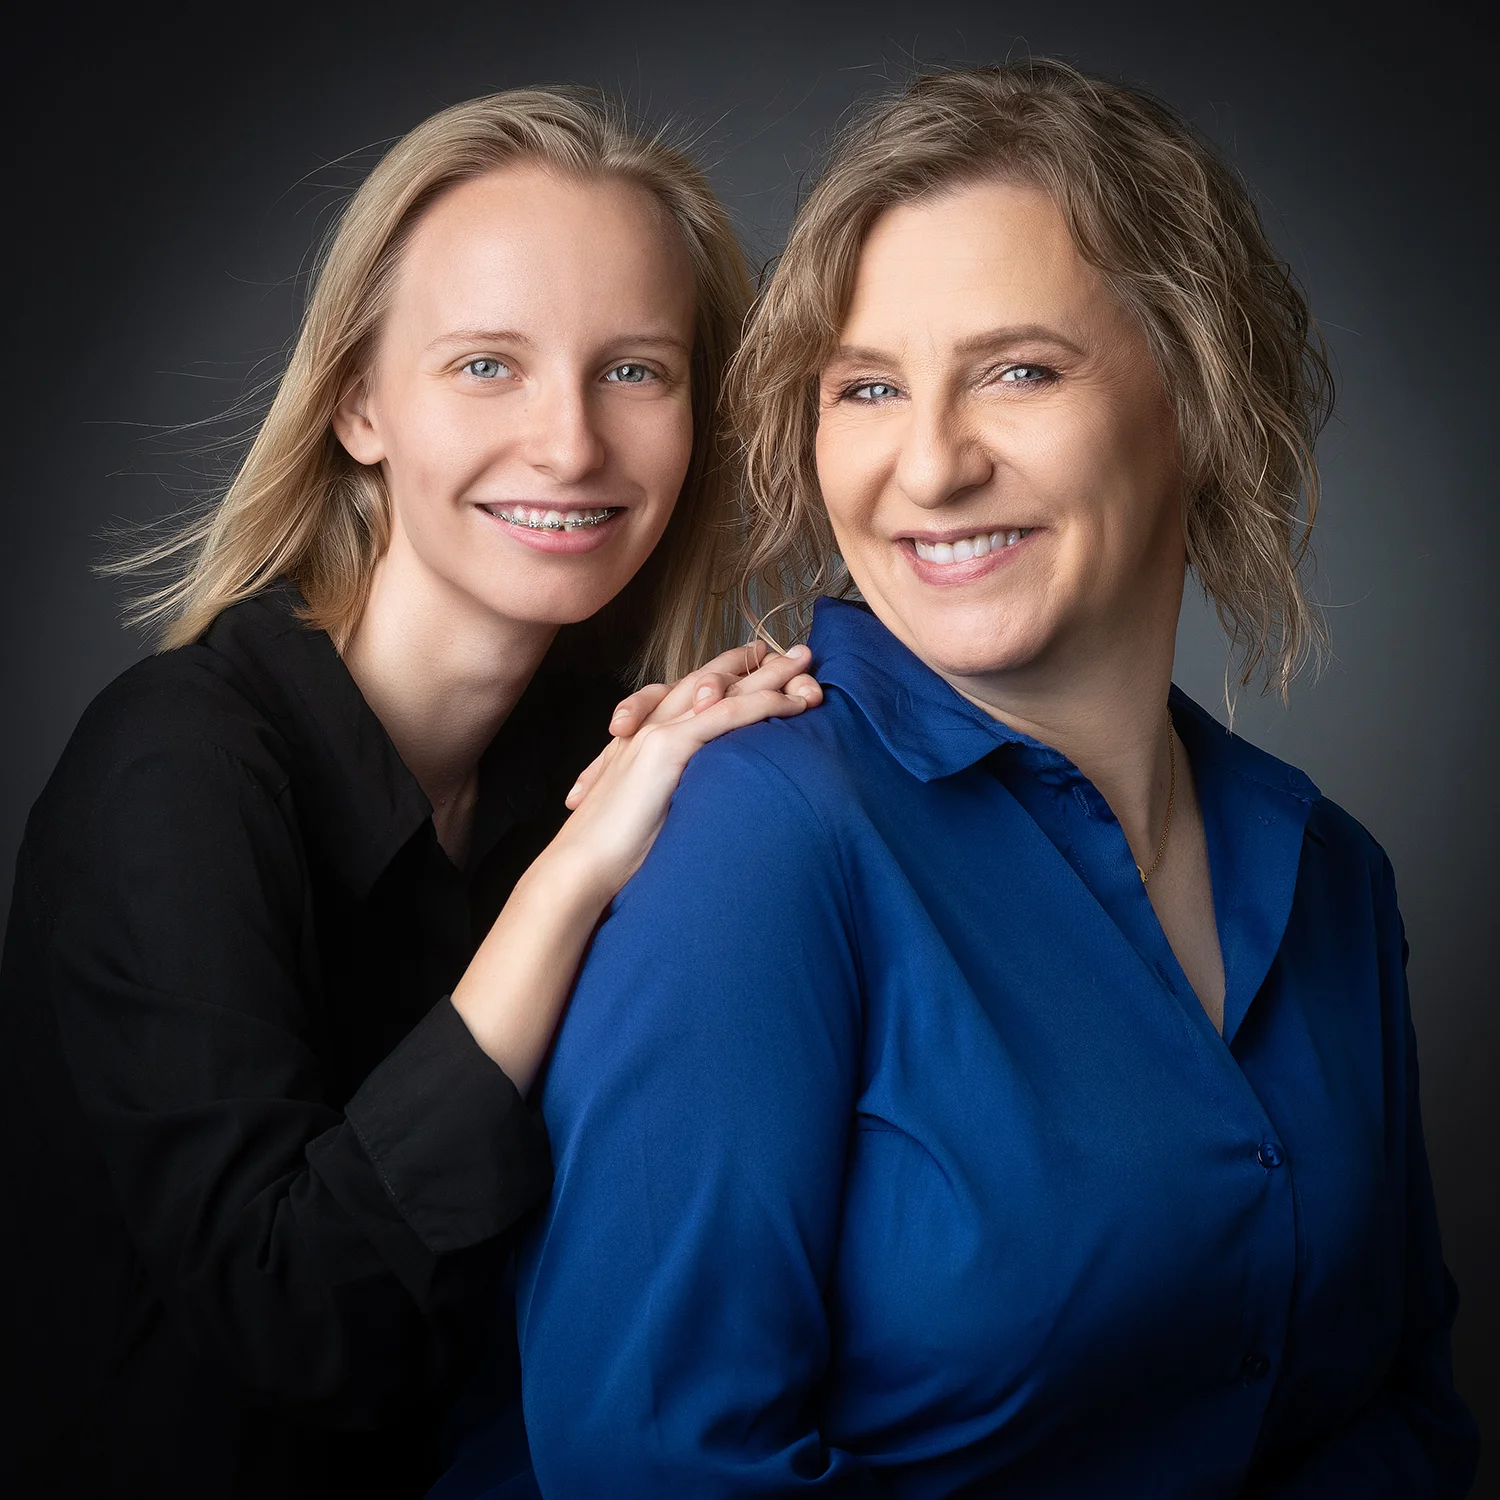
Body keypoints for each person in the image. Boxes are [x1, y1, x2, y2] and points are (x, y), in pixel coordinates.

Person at [504, 61, 1480, 1497]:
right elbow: (655, 1468)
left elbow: (1397, 1411)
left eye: (1019, 369)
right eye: (871, 387)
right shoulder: (756, 844)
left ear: (1194, 400)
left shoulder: (1331, 874)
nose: (932, 463)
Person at [0, 88, 821, 1500]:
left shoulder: (604, 741)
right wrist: (571, 882)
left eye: (636, 370)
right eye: (488, 365)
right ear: (358, 406)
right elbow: (295, 1319)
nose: (570, 444)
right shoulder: (175, 769)